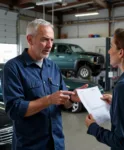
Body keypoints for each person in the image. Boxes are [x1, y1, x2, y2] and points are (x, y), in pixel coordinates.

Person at [2, 19, 87, 150]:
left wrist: (71, 99)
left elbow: (65, 104)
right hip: (29, 146)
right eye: (44, 39)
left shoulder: (53, 67)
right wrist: (48, 100)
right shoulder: (13, 68)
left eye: (52, 40)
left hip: (56, 144)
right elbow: (14, 110)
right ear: (30, 40)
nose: (49, 45)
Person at [85, 28, 124, 150]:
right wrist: (116, 101)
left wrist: (93, 127)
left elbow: (122, 142)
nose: (109, 51)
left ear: (121, 53)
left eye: (111, 47)